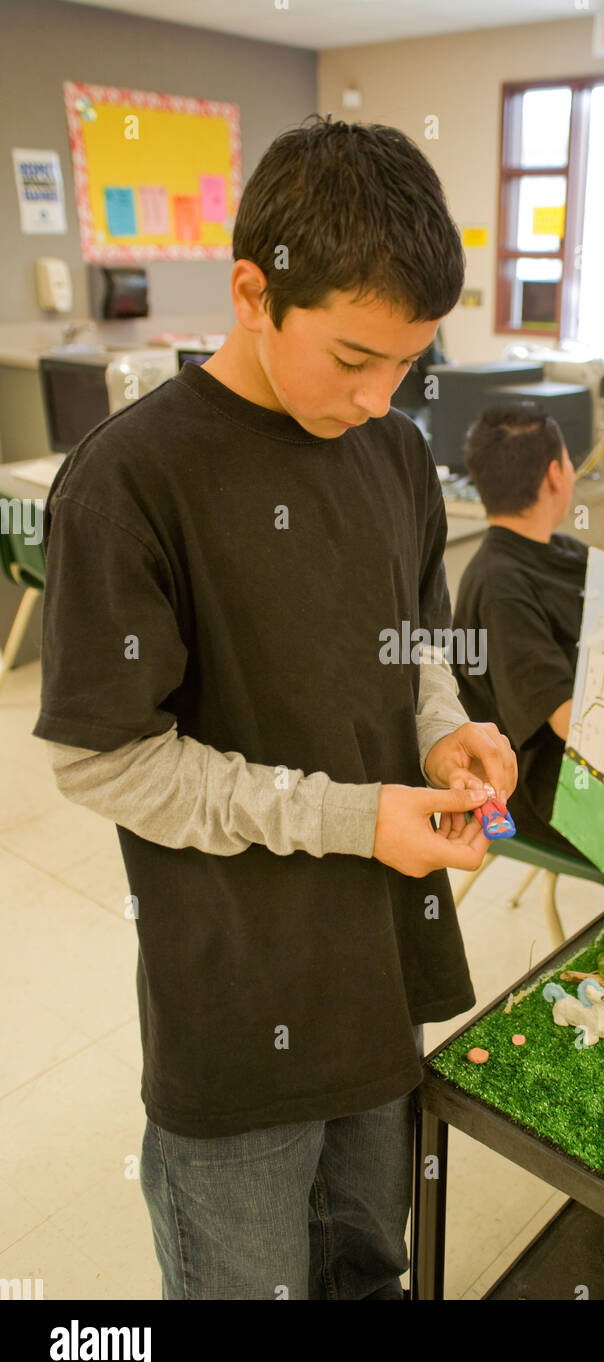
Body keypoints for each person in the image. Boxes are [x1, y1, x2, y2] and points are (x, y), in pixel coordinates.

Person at [32, 115, 517, 1301]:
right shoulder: (132, 479)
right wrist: (357, 819)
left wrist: (442, 727)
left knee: (369, 1258)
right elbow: (106, 764)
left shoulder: (396, 455)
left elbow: (410, 645)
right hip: (238, 1001)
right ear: (253, 291)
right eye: (352, 358)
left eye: (406, 362)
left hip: (378, 972)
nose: (378, 394)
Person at [452, 405, 604, 857]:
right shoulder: (501, 587)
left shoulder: (558, 550)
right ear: (556, 475)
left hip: (584, 760)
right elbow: (572, 720)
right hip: (545, 787)